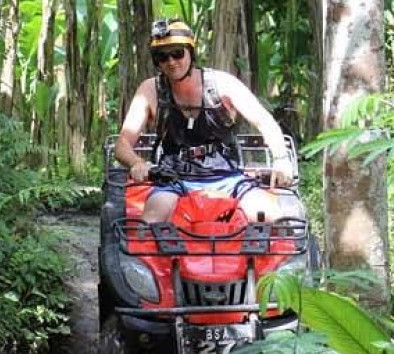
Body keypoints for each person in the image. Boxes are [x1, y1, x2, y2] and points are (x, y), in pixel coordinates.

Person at [114, 18, 299, 224]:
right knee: (151, 220)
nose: (171, 62)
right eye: (162, 56)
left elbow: (265, 122)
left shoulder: (222, 84)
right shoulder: (150, 90)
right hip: (172, 179)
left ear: (190, 53)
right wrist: (137, 163)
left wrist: (282, 160)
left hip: (229, 177)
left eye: (177, 53)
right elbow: (122, 144)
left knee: (267, 218)